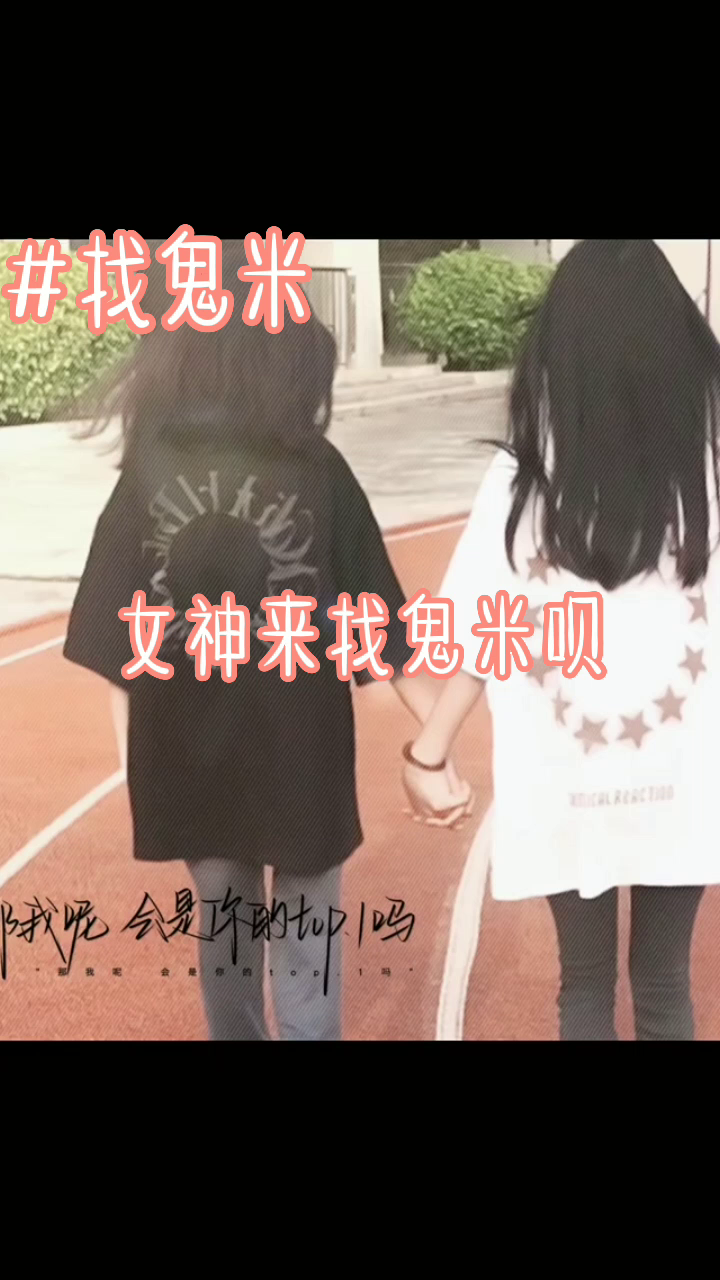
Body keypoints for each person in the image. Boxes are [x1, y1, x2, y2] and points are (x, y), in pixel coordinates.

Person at [63, 252, 470, 1042]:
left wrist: (134, 760)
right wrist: (436, 744)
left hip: (190, 759)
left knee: (227, 945)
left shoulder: (149, 470)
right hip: (302, 757)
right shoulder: (317, 469)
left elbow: (114, 634)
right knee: (308, 955)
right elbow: (380, 627)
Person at [403, 239, 720, 1042]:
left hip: (564, 772)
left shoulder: (522, 483)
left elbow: (485, 631)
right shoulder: (709, 475)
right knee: (664, 985)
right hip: (681, 773)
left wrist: (429, 753)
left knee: (583, 986)